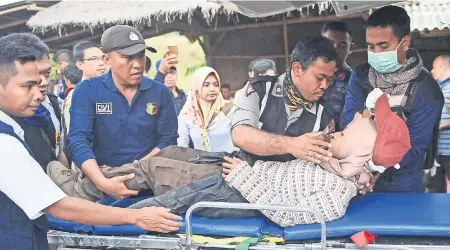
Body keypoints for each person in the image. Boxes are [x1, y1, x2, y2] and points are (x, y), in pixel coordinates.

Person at [0, 35, 181, 250]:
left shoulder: (159, 92)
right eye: (28, 86)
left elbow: (168, 139)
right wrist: (134, 216)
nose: (39, 95)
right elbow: (58, 205)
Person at [129, 94, 410, 226]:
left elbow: (287, 215)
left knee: (165, 185)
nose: (338, 133)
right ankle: (102, 184)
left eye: (346, 134)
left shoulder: (336, 195)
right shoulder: (335, 164)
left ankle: (118, 217)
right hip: (243, 170)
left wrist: (244, 177)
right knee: (169, 157)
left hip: (240, 191)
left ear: (357, 154)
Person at [67, 25, 178, 200]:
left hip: (150, 186)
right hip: (101, 187)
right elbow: (78, 140)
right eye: (128, 57)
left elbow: (168, 139)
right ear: (107, 59)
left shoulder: (160, 92)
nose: (137, 64)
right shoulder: (87, 91)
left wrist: (136, 170)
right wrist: (103, 182)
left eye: (141, 56)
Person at [341, 6, 444, 193]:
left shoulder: (427, 90)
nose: (376, 53)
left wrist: (374, 166)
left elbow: (412, 152)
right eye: (370, 46)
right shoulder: (361, 75)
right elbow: (347, 122)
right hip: (356, 178)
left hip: (401, 185)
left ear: (405, 43)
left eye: (383, 46)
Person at [231, 36, 336, 166]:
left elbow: (325, 163)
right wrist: (292, 145)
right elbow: (240, 135)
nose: (325, 86)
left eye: (329, 79)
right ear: (297, 69)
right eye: (319, 78)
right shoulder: (259, 90)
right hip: (243, 180)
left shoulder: (324, 116)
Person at [0, 33, 62, 171]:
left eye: (46, 74)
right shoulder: (0, 124)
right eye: (31, 79)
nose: (44, 82)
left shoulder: (54, 104)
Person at [177, 67, 235, 152]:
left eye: (216, 85)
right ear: (197, 87)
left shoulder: (229, 109)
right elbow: (182, 147)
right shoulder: (187, 113)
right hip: (200, 164)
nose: (212, 89)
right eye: (206, 85)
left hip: (227, 163)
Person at [320, 21, 354, 130]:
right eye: (330, 43)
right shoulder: (306, 77)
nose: (335, 49)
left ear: (350, 48)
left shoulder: (357, 82)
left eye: (342, 45)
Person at [432, 55, 450, 190]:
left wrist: (439, 127)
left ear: (443, 67)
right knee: (435, 186)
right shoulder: (436, 89)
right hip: (438, 150)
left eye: (434, 68)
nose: (432, 71)